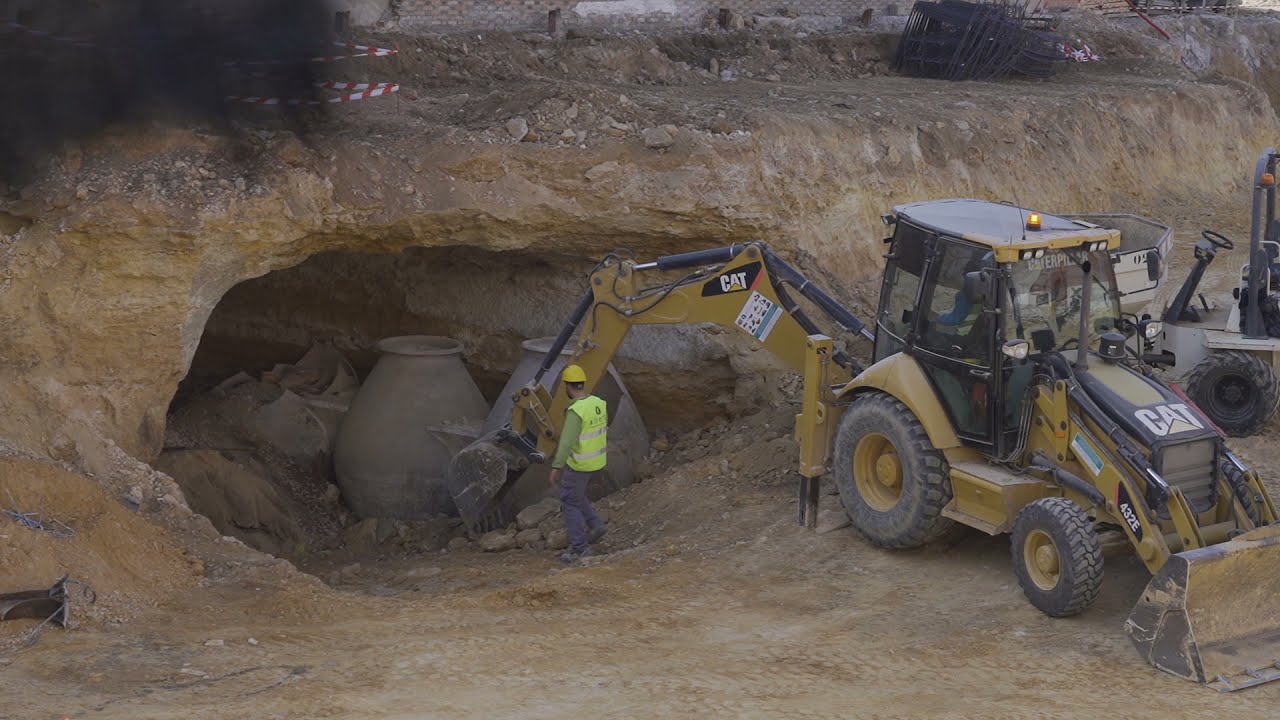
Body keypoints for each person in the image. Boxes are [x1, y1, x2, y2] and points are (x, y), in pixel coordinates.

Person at [548, 363, 609, 564]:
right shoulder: (598, 403)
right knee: (577, 494)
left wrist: (556, 467)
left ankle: (579, 548)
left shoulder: (576, 411)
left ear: (567, 385)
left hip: (579, 465)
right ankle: (596, 525)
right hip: (596, 461)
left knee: (569, 501)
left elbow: (566, 443)